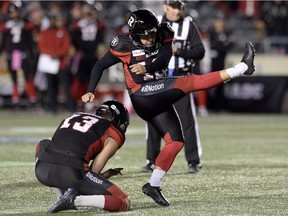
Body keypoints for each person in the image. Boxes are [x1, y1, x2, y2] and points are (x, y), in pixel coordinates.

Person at [81, 9, 255, 206]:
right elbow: (100, 65)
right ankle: (241, 69)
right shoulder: (122, 44)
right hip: (141, 95)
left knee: (176, 142)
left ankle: (153, 185)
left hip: (157, 94)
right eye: (145, 36)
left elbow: (164, 59)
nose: (150, 38)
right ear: (134, 35)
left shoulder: (164, 33)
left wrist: (147, 67)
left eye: (152, 33)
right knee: (188, 82)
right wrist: (90, 90)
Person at [142, 0, 205, 174]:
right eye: (174, 7)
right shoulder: (156, 24)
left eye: (180, 7)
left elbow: (200, 52)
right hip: (159, 78)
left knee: (187, 121)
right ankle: (151, 159)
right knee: (154, 119)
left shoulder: (188, 25)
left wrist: (180, 51)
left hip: (180, 76)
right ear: (165, 7)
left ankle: (194, 161)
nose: (177, 11)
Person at [34, 100, 131, 213]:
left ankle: (61, 196)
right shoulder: (114, 132)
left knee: (46, 142)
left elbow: (47, 144)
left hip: (42, 170)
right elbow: (91, 175)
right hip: (71, 172)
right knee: (124, 201)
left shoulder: (75, 115)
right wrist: (104, 176)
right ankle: (74, 201)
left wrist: (105, 175)